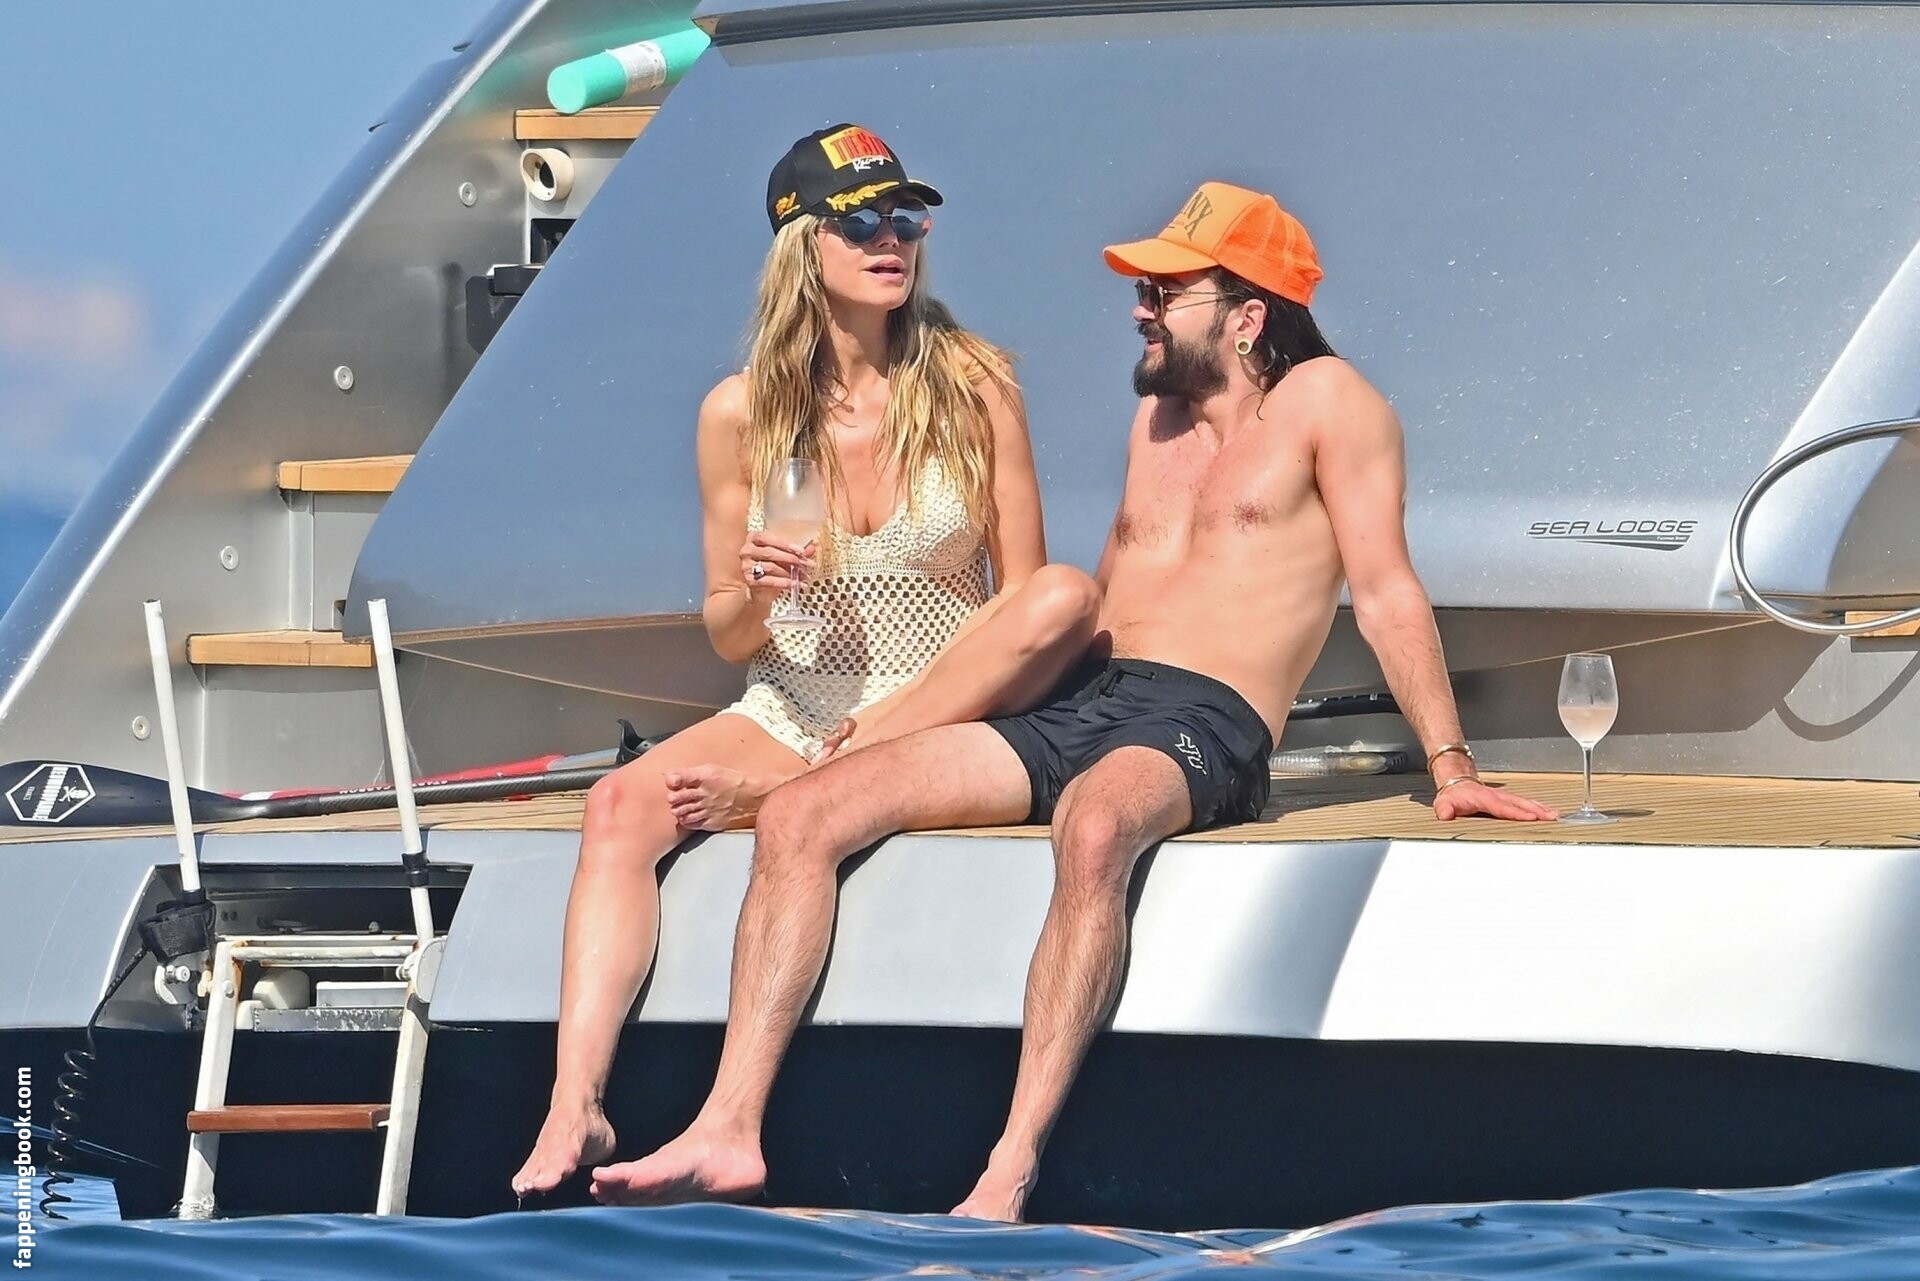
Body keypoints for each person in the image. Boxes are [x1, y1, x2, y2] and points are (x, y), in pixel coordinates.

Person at [586, 181, 1556, 1217]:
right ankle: (728, 1129)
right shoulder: (1158, 418)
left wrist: (1450, 764)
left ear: (1248, 315)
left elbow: (1387, 588)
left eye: (1164, 293)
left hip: (1205, 718)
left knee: (1094, 827)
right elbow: (1105, 590)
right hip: (1085, 699)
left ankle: (1009, 1167)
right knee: (801, 812)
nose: (1140, 309)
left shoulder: (1333, 403)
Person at [510, 125, 1101, 1198]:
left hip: (936, 703)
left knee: (1065, 593)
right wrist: (757, 588)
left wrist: (934, 711)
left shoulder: (975, 383)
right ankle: (575, 1105)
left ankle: (784, 801)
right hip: (794, 702)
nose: (892, 240)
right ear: (802, 245)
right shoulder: (743, 413)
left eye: (906, 218)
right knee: (617, 807)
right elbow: (732, 637)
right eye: (862, 221)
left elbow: (1023, 596)